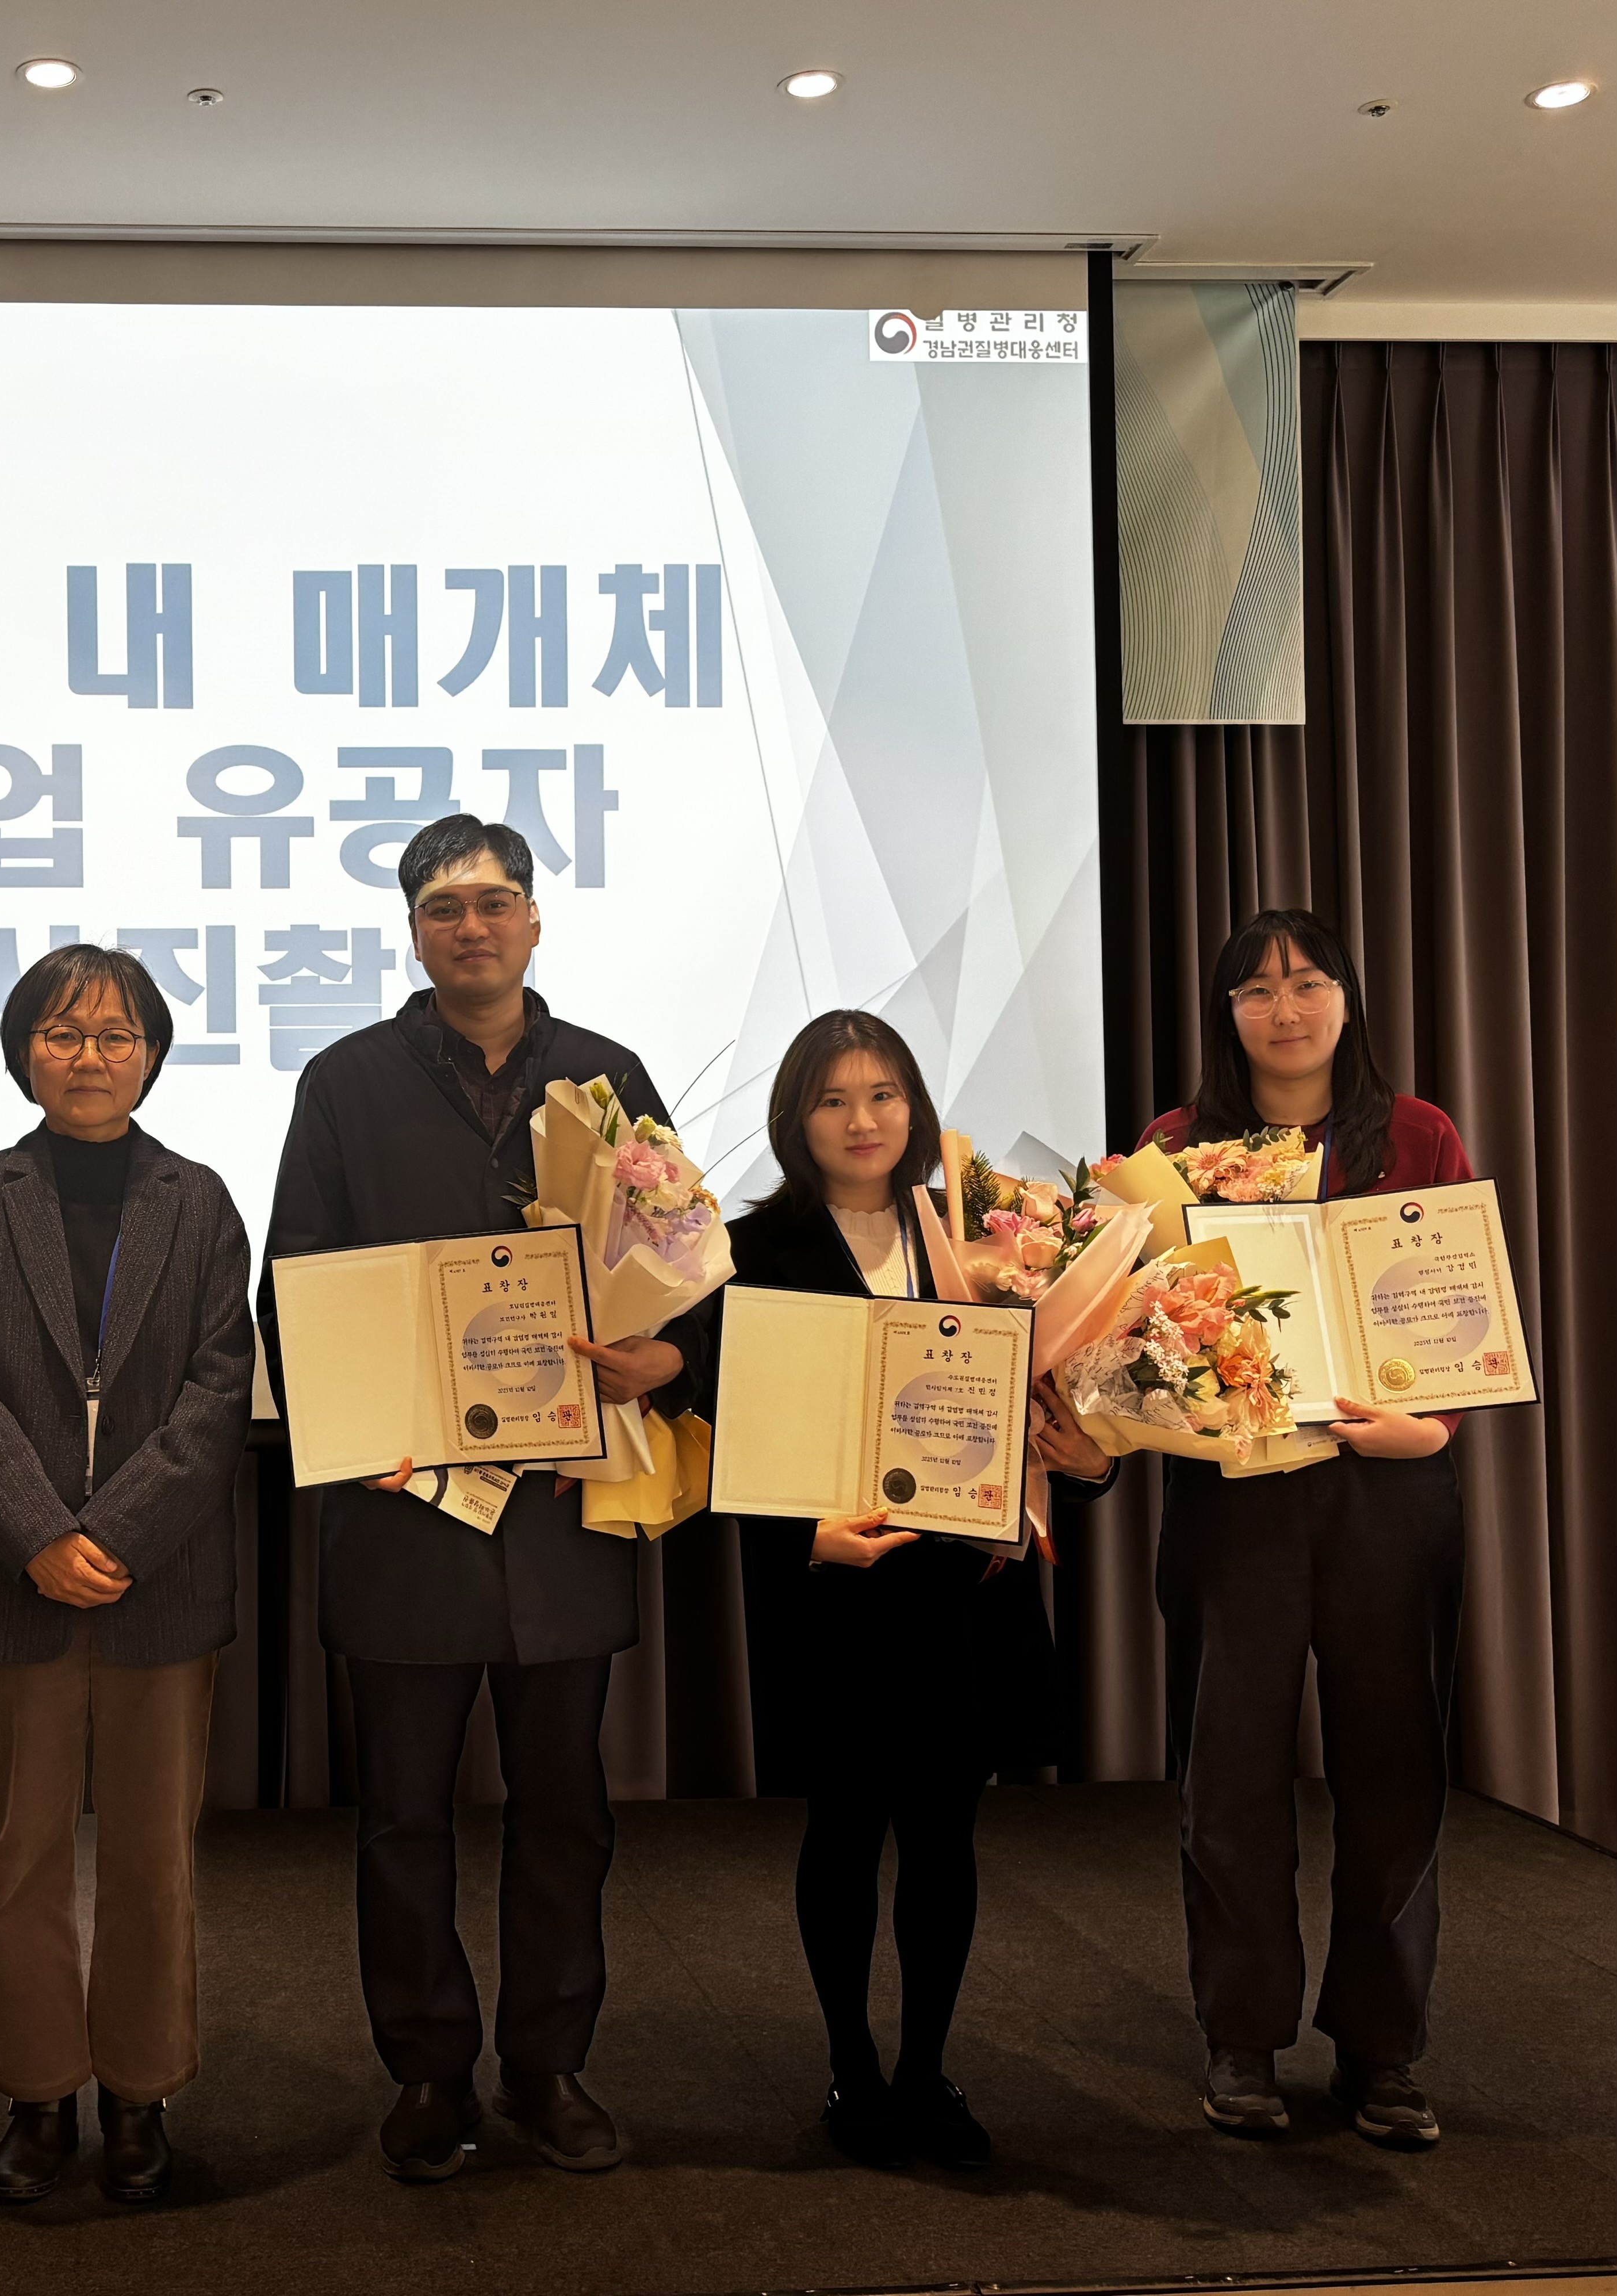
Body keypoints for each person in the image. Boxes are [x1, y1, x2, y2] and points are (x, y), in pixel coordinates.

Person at [256, 814, 708, 2183]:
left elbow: (688, 1269)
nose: (471, 925)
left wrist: (667, 1355)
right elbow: (297, 1287)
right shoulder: (343, 1082)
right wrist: (357, 1421)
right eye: (443, 905)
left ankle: (548, 2060)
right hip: (402, 1514)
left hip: (564, 1516)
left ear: (532, 922)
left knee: (564, 1807)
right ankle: (429, 2071)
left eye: (495, 901)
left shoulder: (606, 1079)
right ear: (411, 929)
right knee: (400, 1815)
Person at [706, 1011, 1110, 2172]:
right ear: (795, 1119)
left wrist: (1087, 1467)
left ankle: (927, 2067)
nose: (861, 1120)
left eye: (882, 1094)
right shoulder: (750, 1252)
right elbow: (729, 1431)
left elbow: (1053, 1422)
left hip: (958, 1593)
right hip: (836, 1591)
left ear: (914, 1107)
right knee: (841, 1832)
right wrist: (802, 1534)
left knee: (943, 1835)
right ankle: (850, 2067)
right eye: (832, 1099)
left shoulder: (989, 1245)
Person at [0, 944, 256, 2205]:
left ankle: (140, 2089)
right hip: (16, 1579)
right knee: (21, 1854)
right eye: (62, 1032)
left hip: (155, 1581)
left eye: (116, 1035)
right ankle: (33, 2092)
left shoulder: (201, 1198)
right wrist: (39, 1536)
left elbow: (218, 1388)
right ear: (21, 1052)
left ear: (154, 1054)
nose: (89, 1056)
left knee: (152, 1858)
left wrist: (112, 1533)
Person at [1141, 909, 1475, 2150]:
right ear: (1223, 1013)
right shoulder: (1172, 1151)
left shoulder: (1414, 1134)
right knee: (1228, 1772)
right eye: (1255, 989)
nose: (1283, 1009)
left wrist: (1431, 1425)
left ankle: (1383, 2048)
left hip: (1388, 1492)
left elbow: (1457, 1302)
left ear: (1345, 999)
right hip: (1237, 1500)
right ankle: (1240, 2037)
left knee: (1392, 1766)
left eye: (1306, 982)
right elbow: (1140, 1331)